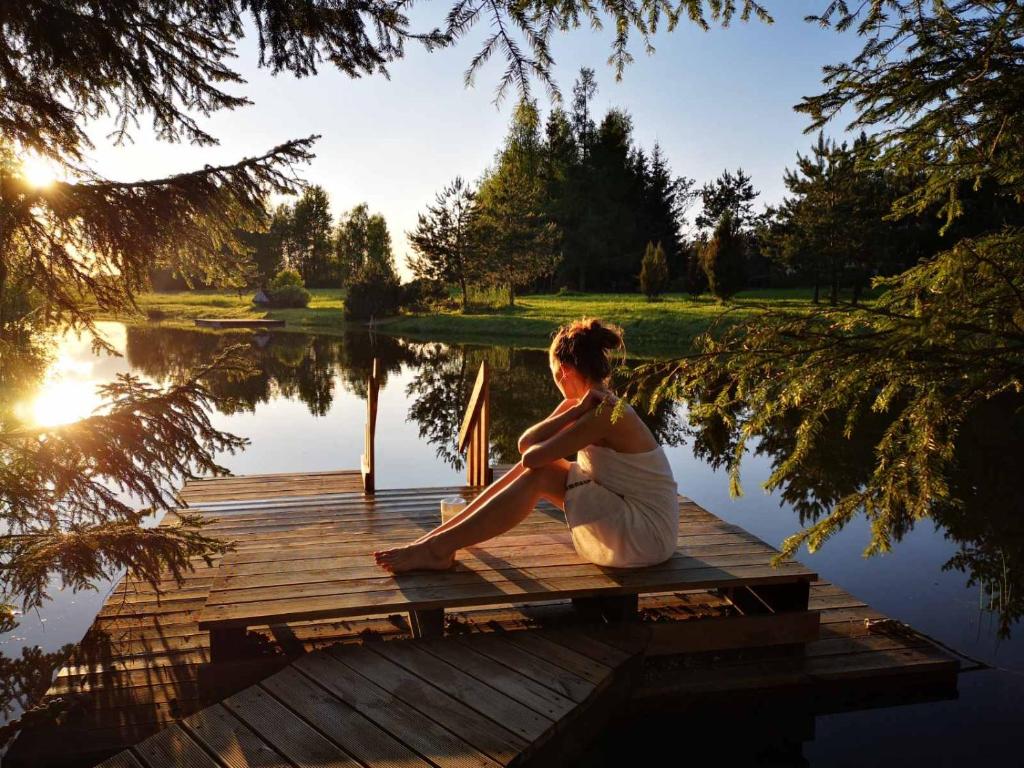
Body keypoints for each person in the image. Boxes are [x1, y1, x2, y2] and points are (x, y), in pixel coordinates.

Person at [373, 317, 680, 572]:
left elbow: (534, 459)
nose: (556, 384)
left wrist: (574, 412)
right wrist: (571, 410)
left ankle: (438, 548)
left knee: (542, 473)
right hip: (630, 515)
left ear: (565, 372)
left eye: (554, 377)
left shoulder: (604, 413)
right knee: (537, 467)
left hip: (646, 533)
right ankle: (435, 542)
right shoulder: (585, 406)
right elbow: (525, 445)